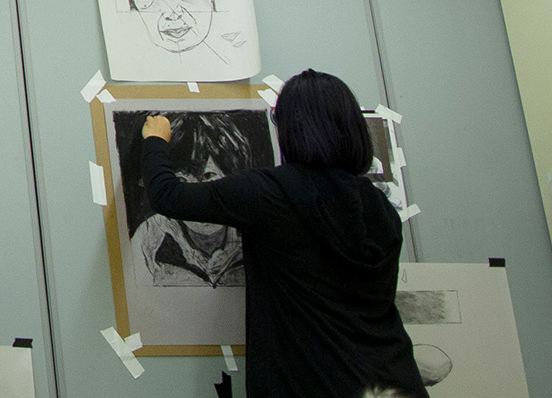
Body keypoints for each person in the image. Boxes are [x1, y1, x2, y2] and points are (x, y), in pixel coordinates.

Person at [141, 69, 426, 398]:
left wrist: (155, 141)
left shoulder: (269, 193)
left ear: (293, 128)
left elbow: (168, 195)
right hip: (394, 384)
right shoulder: (380, 206)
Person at [129, 113, 256, 287]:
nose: (195, 197)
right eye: (181, 182)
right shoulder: (150, 237)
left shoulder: (255, 225)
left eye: (209, 176)